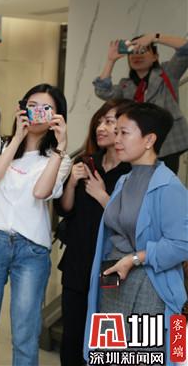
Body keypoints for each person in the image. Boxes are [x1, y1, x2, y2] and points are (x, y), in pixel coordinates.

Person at [0, 83, 72, 365]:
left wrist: (61, 147)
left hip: (32, 250)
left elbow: (41, 192)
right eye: (32, 106)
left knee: (25, 336)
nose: (37, 113)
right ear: (22, 108)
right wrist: (17, 138)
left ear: (57, 117)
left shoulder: (60, 159)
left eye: (46, 109)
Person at [83, 102, 188, 364]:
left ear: (149, 140)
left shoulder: (169, 186)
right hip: (114, 281)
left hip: (149, 286)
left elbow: (182, 244)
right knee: (109, 357)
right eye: (116, 131)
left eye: (124, 132)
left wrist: (136, 258)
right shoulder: (124, 180)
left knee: (143, 359)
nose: (116, 138)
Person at [54, 99, 132, 366]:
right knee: (72, 338)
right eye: (99, 121)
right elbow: (66, 210)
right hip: (77, 263)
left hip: (111, 267)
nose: (101, 127)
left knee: (105, 340)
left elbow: (131, 223)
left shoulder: (132, 172)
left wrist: (102, 196)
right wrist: (72, 183)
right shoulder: (86, 162)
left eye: (109, 121)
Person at [93, 33, 188, 173]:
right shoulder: (126, 85)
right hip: (137, 146)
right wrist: (111, 60)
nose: (137, 55)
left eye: (143, 50)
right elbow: (102, 91)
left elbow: (185, 49)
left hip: (168, 144)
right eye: (132, 52)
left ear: (155, 56)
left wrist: (155, 37)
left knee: (162, 182)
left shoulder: (167, 73)